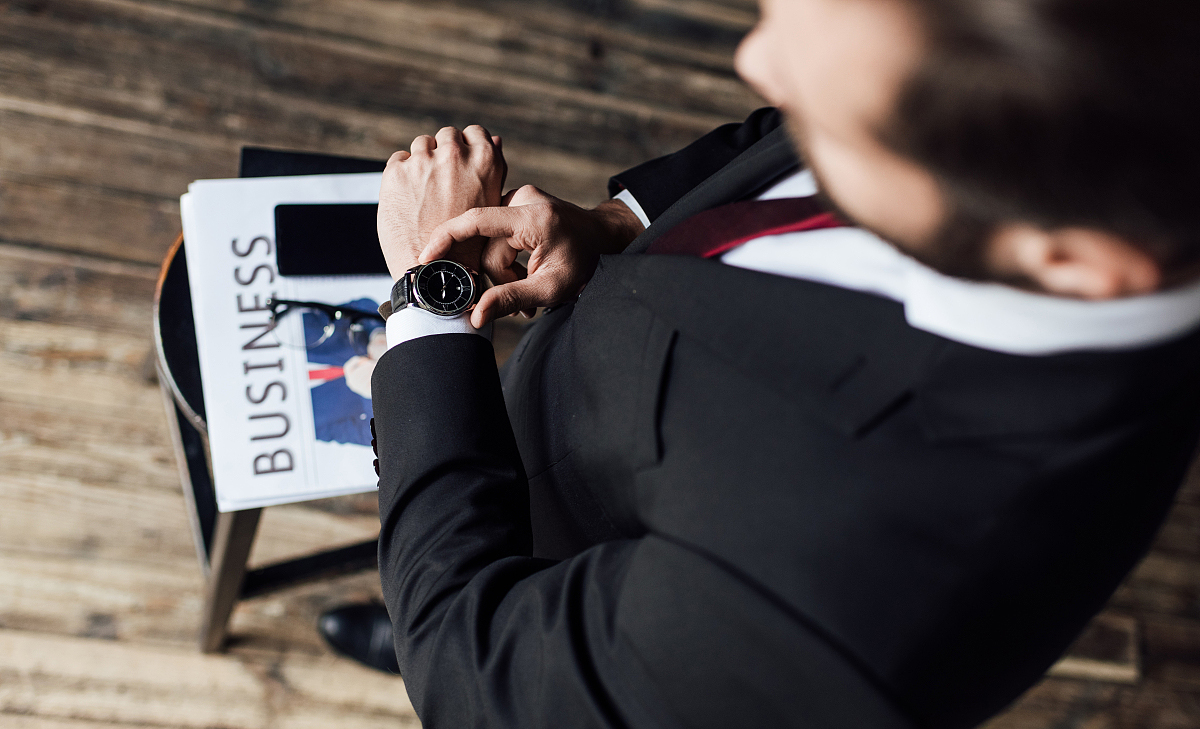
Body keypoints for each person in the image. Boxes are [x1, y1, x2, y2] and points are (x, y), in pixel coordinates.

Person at [319, 0, 1200, 726]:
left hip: (562, 590)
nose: (757, 61)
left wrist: (428, 298)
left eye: (838, 119)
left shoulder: (837, 600)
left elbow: (473, 672)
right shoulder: (1040, 132)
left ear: (1075, 259)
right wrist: (619, 224)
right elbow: (784, 133)